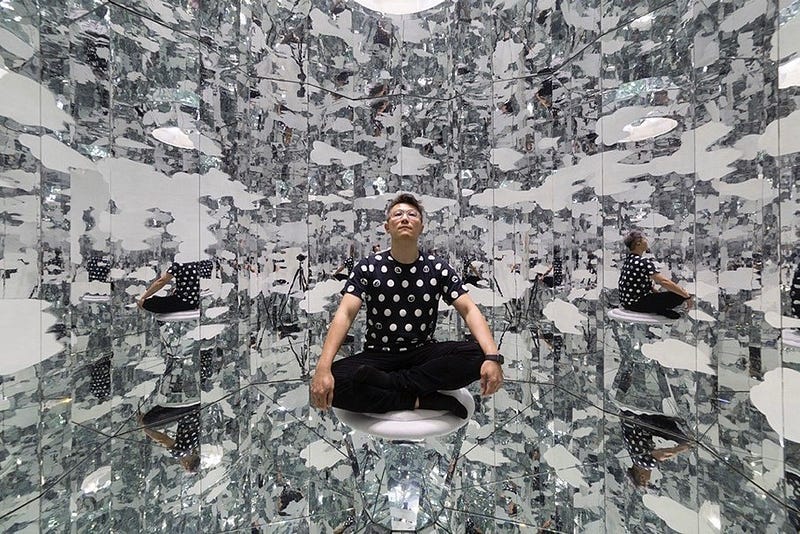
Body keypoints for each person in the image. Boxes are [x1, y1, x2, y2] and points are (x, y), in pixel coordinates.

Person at [310, 193, 504, 418]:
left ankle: (390, 385)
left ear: (421, 227)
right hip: (379, 355)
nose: (404, 218)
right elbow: (345, 313)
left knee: (480, 353)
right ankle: (419, 398)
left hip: (422, 353)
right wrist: (323, 367)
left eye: (412, 215)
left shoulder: (437, 268)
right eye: (398, 214)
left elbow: (469, 310)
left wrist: (492, 357)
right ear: (387, 227)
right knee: (336, 381)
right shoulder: (368, 267)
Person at [618, 231, 692, 319]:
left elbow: (644, 286)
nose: (647, 241)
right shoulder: (642, 262)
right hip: (638, 303)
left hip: (627, 303)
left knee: (670, 294)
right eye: (644, 239)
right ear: (638, 243)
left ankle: (660, 309)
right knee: (679, 295)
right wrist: (686, 296)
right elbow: (663, 281)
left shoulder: (629, 260)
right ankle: (659, 309)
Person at [621, 410, 692, 487]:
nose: (650, 478)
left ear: (642, 477)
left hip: (643, 421)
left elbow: (663, 454)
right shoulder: (633, 456)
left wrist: (682, 448)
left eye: (648, 481)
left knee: (682, 438)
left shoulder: (646, 464)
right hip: (631, 418)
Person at [138, 404, 202, 473]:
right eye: (184, 468)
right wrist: (144, 428)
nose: (181, 465)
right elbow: (163, 439)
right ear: (187, 465)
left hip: (196, 409)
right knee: (148, 420)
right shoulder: (179, 452)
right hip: (185, 412)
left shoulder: (195, 445)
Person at [137, 260, 214, 313]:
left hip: (184, 303)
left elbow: (160, 282)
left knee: (148, 303)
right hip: (198, 300)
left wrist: (143, 297)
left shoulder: (179, 264)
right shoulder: (204, 262)